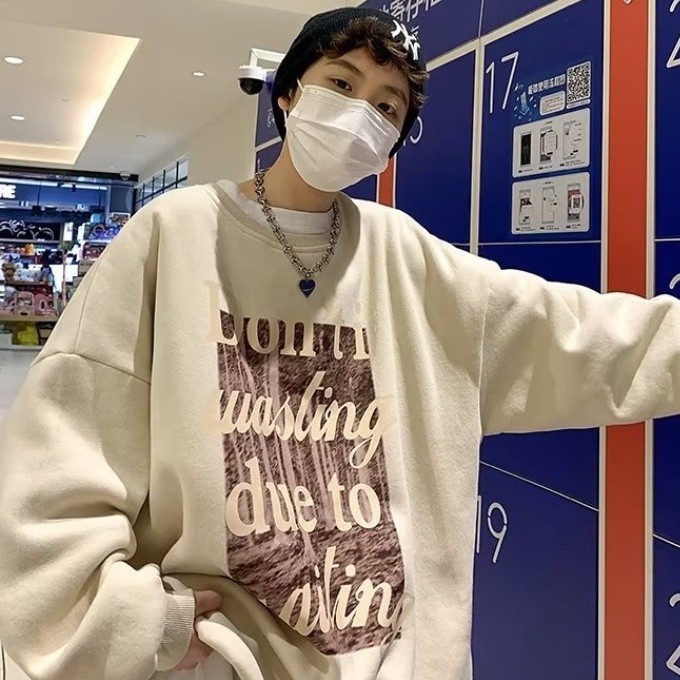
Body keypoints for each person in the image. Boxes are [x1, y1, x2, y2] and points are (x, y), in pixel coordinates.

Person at [0, 7, 678, 680]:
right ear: (289, 92)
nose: (361, 114)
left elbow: (577, 336)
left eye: (387, 106)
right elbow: (63, 459)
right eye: (343, 83)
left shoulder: (405, 258)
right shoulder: (173, 235)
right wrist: (132, 626)